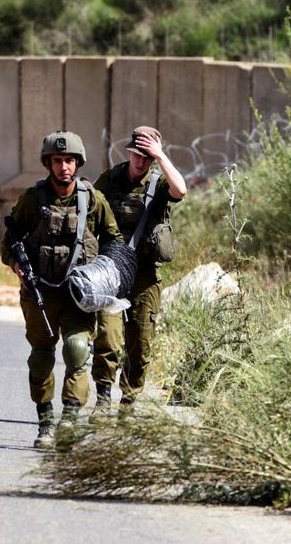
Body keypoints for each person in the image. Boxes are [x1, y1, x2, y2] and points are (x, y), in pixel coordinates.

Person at [1, 131, 121, 449]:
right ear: (48, 164)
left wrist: (104, 275)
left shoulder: (92, 200)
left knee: (77, 351)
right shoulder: (33, 198)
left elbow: (113, 241)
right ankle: (45, 424)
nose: (64, 167)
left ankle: (68, 419)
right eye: (58, 161)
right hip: (40, 293)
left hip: (78, 295)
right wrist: (17, 267)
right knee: (41, 358)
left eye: (69, 160)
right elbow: (8, 244)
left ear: (78, 163)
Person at [91, 126, 187, 417]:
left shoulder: (159, 183)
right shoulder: (111, 179)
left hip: (145, 275)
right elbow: (88, 211)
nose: (141, 161)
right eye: (138, 155)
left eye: (147, 157)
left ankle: (128, 402)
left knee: (140, 343)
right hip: (112, 271)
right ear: (130, 153)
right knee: (107, 336)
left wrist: (160, 155)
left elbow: (180, 190)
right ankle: (103, 399)